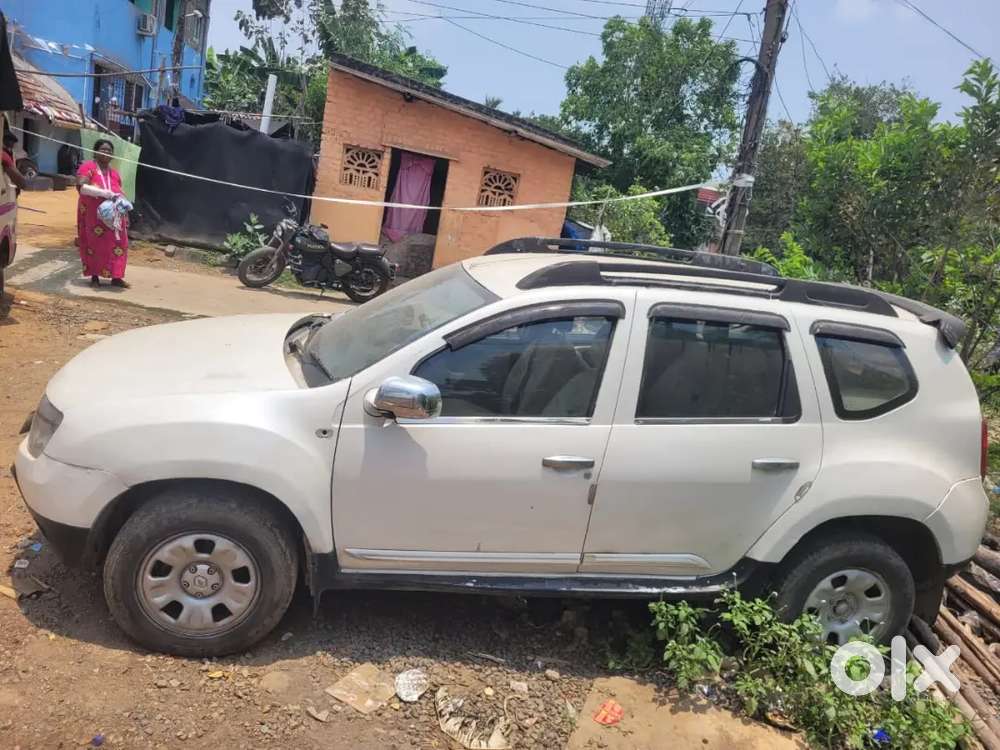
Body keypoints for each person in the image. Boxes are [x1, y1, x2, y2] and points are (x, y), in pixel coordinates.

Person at [77, 138, 129, 287]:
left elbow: (120, 192)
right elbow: (81, 186)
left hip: (115, 216)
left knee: (119, 243)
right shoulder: (88, 167)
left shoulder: (115, 174)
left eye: (109, 151)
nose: (106, 152)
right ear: (95, 152)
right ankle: (95, 277)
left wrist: (125, 211)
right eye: (103, 149)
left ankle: (116, 277)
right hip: (93, 215)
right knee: (94, 244)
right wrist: (103, 193)